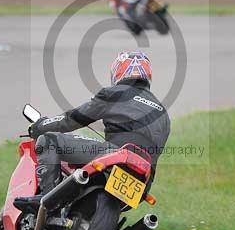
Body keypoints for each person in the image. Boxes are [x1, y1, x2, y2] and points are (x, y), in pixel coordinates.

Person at [16, 51, 171, 206]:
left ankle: (47, 200)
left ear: (118, 71)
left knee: (49, 141)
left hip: (116, 154)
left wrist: (40, 125)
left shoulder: (114, 93)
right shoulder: (163, 114)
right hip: (144, 179)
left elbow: (71, 119)